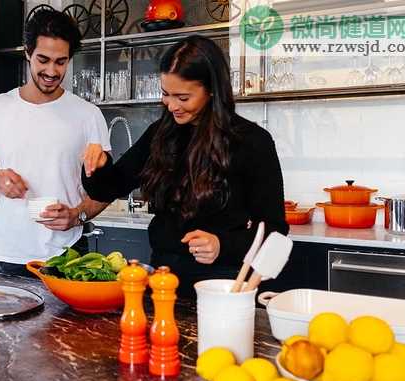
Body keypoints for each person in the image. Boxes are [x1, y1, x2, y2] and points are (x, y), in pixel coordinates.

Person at [82, 35, 288, 297]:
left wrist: (222, 244)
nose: (172, 105)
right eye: (166, 94)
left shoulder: (252, 142)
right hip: (163, 282)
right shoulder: (160, 134)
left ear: (212, 90)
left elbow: (274, 230)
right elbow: (108, 187)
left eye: (183, 97)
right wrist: (96, 165)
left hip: (223, 284)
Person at [0, 10, 110, 276]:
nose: (51, 71)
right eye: (43, 60)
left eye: (61, 62)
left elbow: (106, 188)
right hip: (8, 255)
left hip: (66, 255)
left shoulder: (88, 115)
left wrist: (77, 215)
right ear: (27, 53)